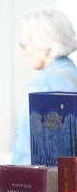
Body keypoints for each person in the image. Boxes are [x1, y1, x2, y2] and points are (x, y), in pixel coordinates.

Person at [12, 8, 77, 163]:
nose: (24, 52)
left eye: (25, 44)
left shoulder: (39, 87)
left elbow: (26, 153)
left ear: (44, 45)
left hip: (51, 177)